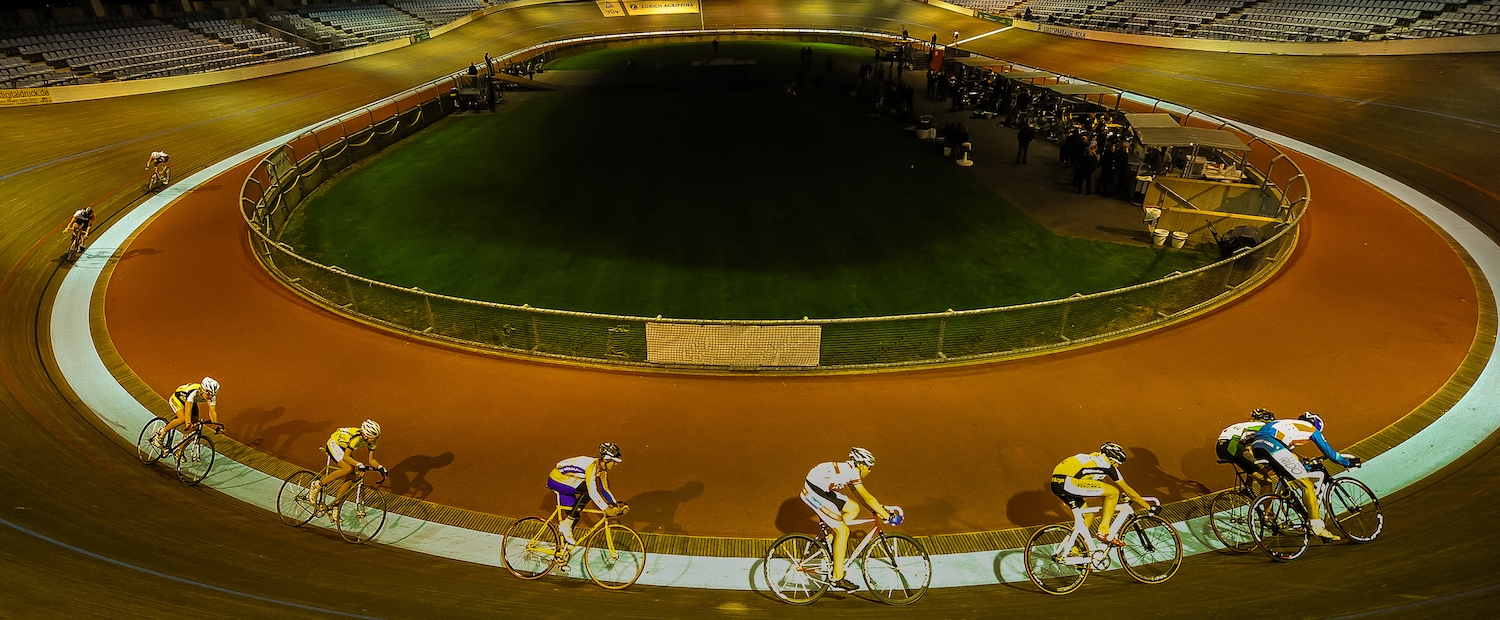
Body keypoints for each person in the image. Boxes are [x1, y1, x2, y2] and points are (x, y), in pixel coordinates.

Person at [800, 448, 899, 592]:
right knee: (843, 531)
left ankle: (828, 539)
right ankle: (837, 578)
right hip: (813, 492)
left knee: (853, 508)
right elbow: (868, 498)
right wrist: (887, 516)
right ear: (862, 465)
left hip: (820, 489)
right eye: (869, 468)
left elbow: (862, 499)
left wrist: (877, 510)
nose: (870, 471)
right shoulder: (852, 472)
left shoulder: (850, 470)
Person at [1249, 412, 1359, 541]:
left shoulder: (1289, 425)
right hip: (1272, 444)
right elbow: (1331, 455)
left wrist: (1307, 466)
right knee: (1307, 486)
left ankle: (1285, 509)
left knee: (1294, 477)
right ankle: (1317, 527)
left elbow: (1292, 459)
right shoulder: (1312, 429)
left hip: (1257, 446)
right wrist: (1348, 463)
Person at [1050, 442, 1150, 547]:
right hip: (1068, 483)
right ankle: (1104, 531)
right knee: (1114, 492)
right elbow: (1130, 492)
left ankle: (1074, 550)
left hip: (1058, 483)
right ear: (1112, 460)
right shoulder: (1107, 465)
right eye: (1118, 464)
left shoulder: (1093, 458)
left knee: (1088, 516)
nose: (1117, 467)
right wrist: (1148, 507)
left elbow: (1099, 488)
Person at [548, 443, 627, 546]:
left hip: (567, 480)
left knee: (574, 515)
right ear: (606, 459)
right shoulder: (592, 467)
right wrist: (606, 509)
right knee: (587, 491)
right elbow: (592, 492)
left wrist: (616, 506)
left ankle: (561, 551)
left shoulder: (602, 470)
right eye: (614, 461)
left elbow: (605, 490)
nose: (615, 464)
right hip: (557, 479)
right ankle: (566, 525)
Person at [310, 420, 386, 522]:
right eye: (375, 437)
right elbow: (346, 457)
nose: (377, 439)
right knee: (347, 469)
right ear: (367, 435)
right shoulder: (356, 438)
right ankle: (318, 484)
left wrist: (380, 467)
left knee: (351, 477)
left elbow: (371, 460)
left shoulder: (372, 441)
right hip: (334, 444)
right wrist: (359, 464)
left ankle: (335, 507)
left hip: (344, 447)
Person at [151, 377, 220, 451]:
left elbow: (212, 411)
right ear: (202, 390)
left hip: (191, 402)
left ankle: (180, 451)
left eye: (212, 395)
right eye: (208, 394)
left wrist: (215, 424)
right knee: (183, 419)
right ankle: (162, 432)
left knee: (193, 430)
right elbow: (188, 409)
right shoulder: (193, 392)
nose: (210, 397)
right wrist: (188, 423)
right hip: (178, 399)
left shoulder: (211, 396)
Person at [1216, 408, 1277, 482]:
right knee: (1266, 480)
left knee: (1252, 466)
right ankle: (1265, 490)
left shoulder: (1245, 425)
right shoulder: (1263, 426)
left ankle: (1248, 490)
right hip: (1233, 446)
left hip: (1221, 447)